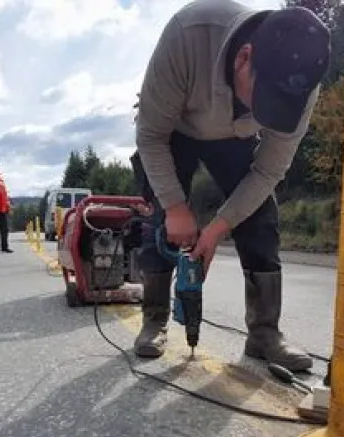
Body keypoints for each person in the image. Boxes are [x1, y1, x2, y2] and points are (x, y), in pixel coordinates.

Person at [130, 0, 330, 371]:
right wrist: (175, 207)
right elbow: (151, 135)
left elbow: (268, 171)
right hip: (172, 130)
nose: (267, 113)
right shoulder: (188, 35)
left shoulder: (301, 83)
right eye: (264, 101)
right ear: (244, 57)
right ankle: (154, 319)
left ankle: (264, 333)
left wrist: (217, 229)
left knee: (260, 218)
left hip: (234, 137)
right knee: (160, 220)